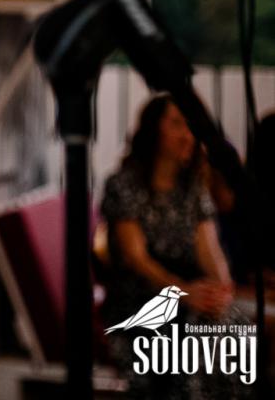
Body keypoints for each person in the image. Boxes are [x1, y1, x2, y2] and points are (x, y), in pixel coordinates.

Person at [100, 94, 240, 398]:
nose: (187, 135)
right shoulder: (124, 184)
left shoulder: (193, 188)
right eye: (177, 124)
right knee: (191, 333)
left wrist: (220, 291)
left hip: (187, 294)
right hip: (141, 300)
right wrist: (185, 293)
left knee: (231, 327)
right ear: (154, 130)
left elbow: (210, 251)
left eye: (191, 126)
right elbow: (137, 259)